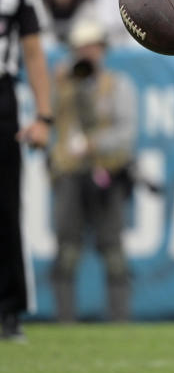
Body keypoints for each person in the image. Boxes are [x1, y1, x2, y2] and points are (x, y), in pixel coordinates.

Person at [48, 20, 137, 323]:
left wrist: (92, 143)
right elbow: (49, 119)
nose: (86, 54)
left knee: (113, 251)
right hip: (71, 174)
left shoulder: (118, 85)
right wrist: (62, 86)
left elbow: (126, 133)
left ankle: (119, 320)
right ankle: (65, 320)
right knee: (67, 250)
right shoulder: (63, 85)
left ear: (101, 50)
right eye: (81, 49)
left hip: (106, 173)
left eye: (91, 47)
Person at [0, 0, 53, 341]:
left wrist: (44, 116)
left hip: (2, 97)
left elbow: (33, 51)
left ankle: (8, 309)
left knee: (4, 208)